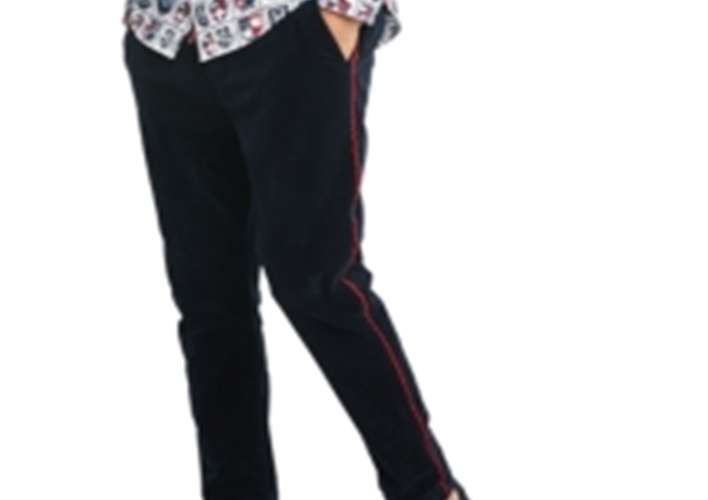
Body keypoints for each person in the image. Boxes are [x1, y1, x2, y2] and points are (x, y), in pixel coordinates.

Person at [121, 1, 469, 499]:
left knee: (316, 284)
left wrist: (346, 10)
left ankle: (429, 492)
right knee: (208, 300)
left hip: (285, 29)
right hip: (167, 36)